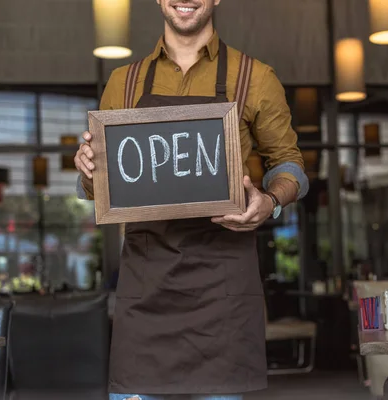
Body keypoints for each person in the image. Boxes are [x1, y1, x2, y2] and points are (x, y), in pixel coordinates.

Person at [75, 1, 308, 399]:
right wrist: (87, 169)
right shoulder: (123, 82)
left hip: (222, 295)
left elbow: (290, 166)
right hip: (146, 293)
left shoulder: (254, 76)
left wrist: (270, 202)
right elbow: (100, 189)